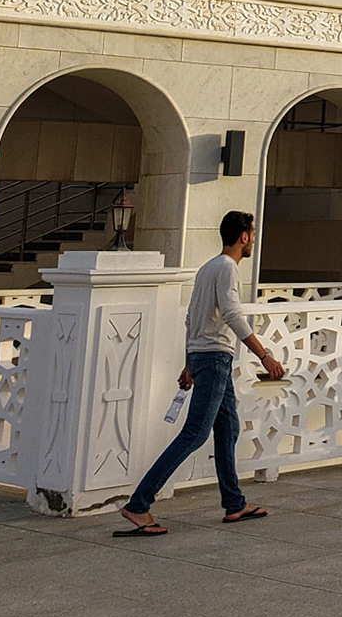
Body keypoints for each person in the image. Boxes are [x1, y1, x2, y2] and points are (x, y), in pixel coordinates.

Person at [116, 210, 285, 536]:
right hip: (215, 358)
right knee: (194, 433)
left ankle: (234, 503)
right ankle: (138, 504)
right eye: (252, 234)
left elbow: (192, 319)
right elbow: (232, 314)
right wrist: (264, 355)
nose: (253, 240)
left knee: (228, 429)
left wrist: (189, 362)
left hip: (205, 357)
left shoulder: (209, 267)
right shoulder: (227, 268)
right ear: (244, 237)